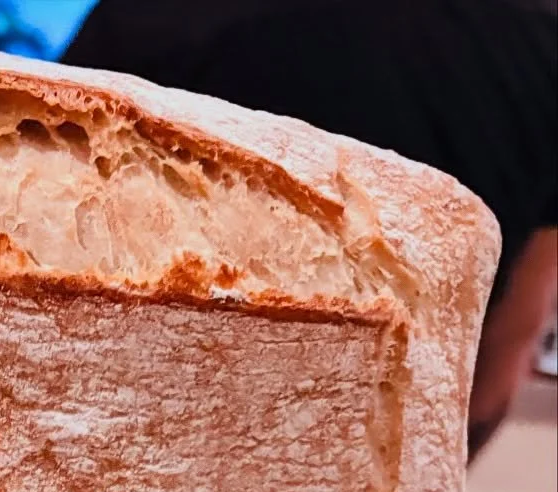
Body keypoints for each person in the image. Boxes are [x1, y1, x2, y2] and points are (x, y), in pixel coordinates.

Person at [64, 0, 558, 456]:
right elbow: (511, 339)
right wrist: (433, 491)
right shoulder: (536, 37)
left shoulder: (153, 14)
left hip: (138, 450)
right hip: (377, 475)